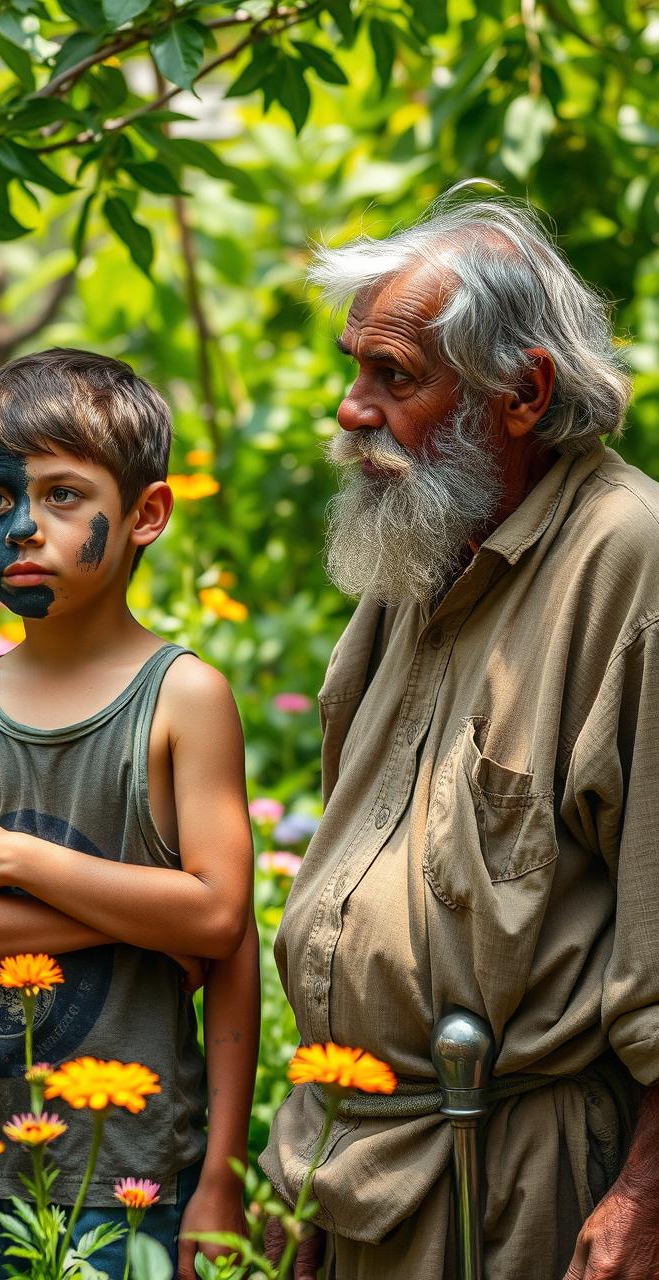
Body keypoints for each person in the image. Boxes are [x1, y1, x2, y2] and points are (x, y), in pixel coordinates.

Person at [260, 192, 659, 1280]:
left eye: (394, 376)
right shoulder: (425, 528)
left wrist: (645, 1196)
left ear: (521, 391)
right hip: (346, 1162)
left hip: (509, 1182)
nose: (351, 409)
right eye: (355, 370)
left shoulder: (628, 556)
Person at [0, 348, 260, 1280]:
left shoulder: (184, 700)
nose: (22, 528)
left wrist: (14, 857)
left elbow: (220, 924)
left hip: (137, 1178)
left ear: (146, 515)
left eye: (60, 495)